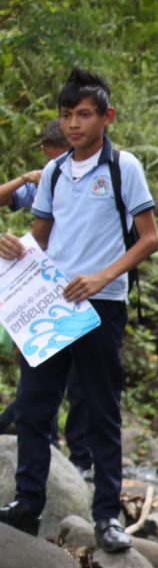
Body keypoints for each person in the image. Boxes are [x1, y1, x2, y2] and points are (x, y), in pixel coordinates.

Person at [0, 69, 158, 552]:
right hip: (50, 302)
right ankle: (28, 503)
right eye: (67, 115)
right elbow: (43, 237)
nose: (73, 124)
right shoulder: (52, 171)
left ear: (106, 117)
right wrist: (14, 247)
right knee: (34, 406)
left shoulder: (123, 167)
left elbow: (150, 238)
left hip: (101, 305)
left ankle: (107, 516)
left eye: (84, 114)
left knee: (99, 411)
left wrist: (103, 276)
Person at [0, 119, 91, 467]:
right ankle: (46, 451)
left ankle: (81, 458)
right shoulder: (47, 179)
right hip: (42, 289)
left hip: (84, 285)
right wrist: (27, 178)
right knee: (38, 375)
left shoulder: (93, 180)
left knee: (82, 382)